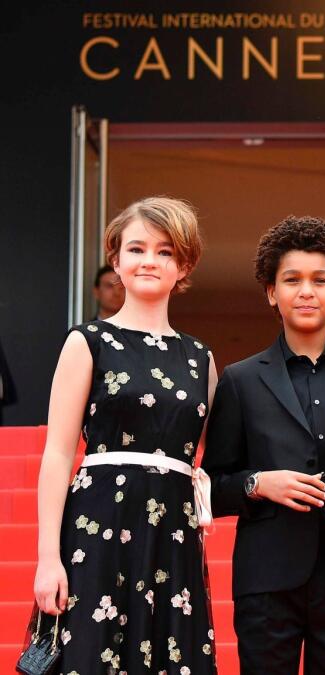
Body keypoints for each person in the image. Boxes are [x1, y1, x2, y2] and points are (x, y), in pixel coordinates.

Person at [202, 216, 325, 673]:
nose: (306, 291)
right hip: (266, 578)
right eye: (291, 280)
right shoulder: (239, 380)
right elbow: (211, 485)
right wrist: (258, 483)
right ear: (272, 292)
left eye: (321, 280)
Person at [32, 196, 216, 673]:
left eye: (165, 251)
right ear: (116, 259)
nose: (149, 261)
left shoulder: (202, 358)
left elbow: (218, 458)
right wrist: (48, 558)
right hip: (97, 527)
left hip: (174, 533)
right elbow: (56, 456)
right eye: (136, 249)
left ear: (185, 264)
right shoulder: (86, 341)